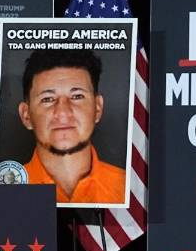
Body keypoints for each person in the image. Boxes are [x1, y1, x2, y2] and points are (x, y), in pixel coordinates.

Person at [16, 48, 126, 204]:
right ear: (26, 115)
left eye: (77, 96)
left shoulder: (129, 188)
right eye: (47, 99)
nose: (62, 112)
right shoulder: (3, 190)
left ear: (97, 108)